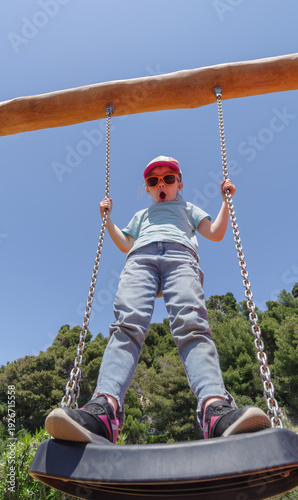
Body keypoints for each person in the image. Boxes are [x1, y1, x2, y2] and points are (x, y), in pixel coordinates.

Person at [46, 155, 270, 444]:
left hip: (180, 256)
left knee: (192, 324)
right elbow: (125, 242)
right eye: (154, 181)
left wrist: (226, 201)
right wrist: (108, 219)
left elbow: (214, 233)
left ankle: (214, 408)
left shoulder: (188, 208)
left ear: (179, 183)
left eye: (168, 178)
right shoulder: (142, 216)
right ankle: (104, 408)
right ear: (149, 189)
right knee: (127, 324)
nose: (161, 183)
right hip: (140, 258)